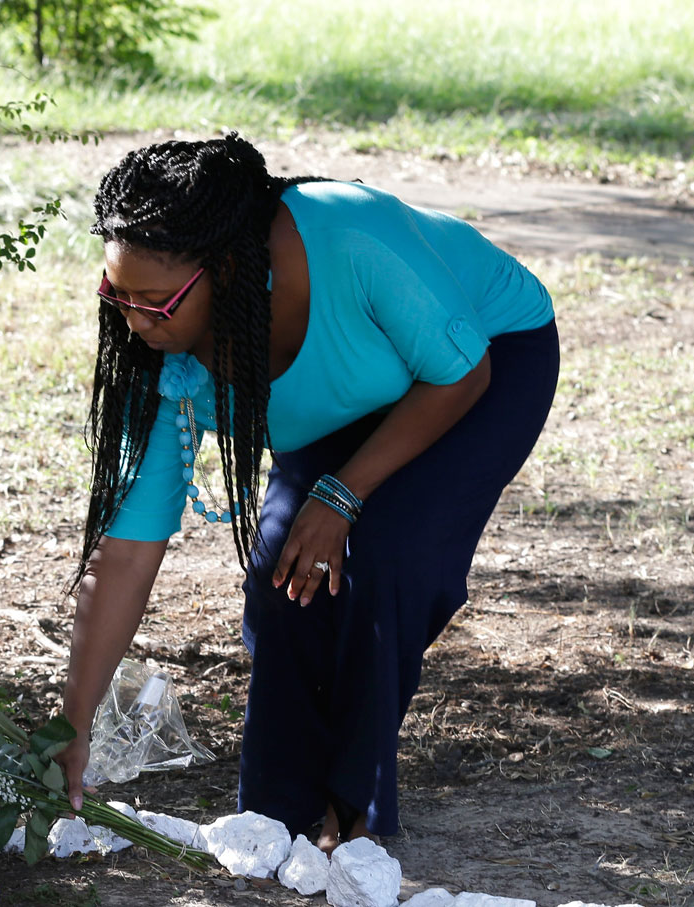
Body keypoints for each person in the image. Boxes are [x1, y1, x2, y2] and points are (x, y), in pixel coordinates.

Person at [59, 133, 558, 853]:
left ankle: (356, 814)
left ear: (226, 270)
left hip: (482, 360)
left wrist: (342, 493)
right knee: (283, 571)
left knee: (386, 554)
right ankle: (275, 818)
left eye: (155, 302)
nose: (133, 321)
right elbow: (127, 550)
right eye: (117, 294)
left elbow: (461, 374)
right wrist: (70, 725)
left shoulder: (351, 235)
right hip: (357, 398)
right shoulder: (163, 356)